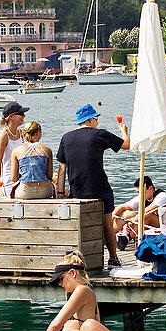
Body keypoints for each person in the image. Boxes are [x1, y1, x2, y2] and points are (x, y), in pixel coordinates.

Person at [56, 103, 130, 268]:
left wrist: (60, 192)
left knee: (79, 224)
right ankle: (112, 258)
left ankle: (77, 259)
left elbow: (62, 167)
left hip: (77, 190)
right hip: (99, 188)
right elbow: (126, 145)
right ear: (89, 120)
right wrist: (123, 131)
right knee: (107, 224)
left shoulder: (66, 137)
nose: (97, 122)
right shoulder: (99, 134)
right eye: (96, 119)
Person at [113, 175, 166, 247]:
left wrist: (131, 222)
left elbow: (148, 210)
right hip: (153, 223)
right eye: (138, 192)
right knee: (127, 214)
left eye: (141, 192)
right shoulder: (143, 196)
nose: (140, 195)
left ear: (150, 188)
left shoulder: (163, 196)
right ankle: (108, 234)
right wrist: (110, 220)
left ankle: (126, 238)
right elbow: (122, 207)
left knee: (147, 216)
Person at [10, 121, 55, 199]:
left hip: (25, 192)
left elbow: (14, 178)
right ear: (38, 132)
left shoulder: (16, 151)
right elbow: (50, 175)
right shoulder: (47, 150)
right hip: (44, 191)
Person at [0, 101, 28, 197]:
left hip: (22, 179)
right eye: (21, 114)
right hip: (7, 180)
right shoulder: (3, 135)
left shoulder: (22, 133)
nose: (24, 116)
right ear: (11, 117)